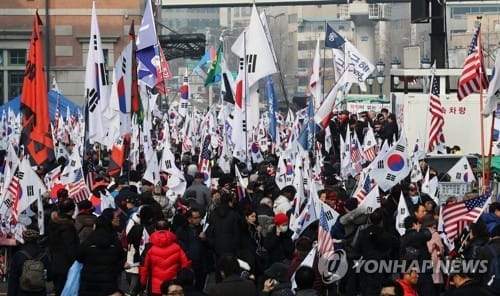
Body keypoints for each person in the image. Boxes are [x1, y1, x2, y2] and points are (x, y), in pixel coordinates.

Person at [77, 210, 126, 296]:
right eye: (116, 217)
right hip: (109, 284)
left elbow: (79, 256)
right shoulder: (114, 242)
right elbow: (121, 258)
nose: (118, 219)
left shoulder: (89, 241)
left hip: (89, 284)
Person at [140, 220, 191, 295]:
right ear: (169, 229)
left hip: (155, 287)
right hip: (174, 286)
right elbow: (186, 265)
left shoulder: (149, 246)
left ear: (155, 230)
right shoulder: (179, 245)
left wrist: (143, 284)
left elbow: (144, 268)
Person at [47, 198, 79, 296]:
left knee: (59, 291)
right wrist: (75, 263)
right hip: (66, 265)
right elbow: (70, 247)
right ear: (71, 211)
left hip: (54, 262)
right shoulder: (67, 226)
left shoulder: (53, 222)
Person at [8, 229, 51, 296]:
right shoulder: (44, 255)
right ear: (37, 240)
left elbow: (13, 279)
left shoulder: (19, 255)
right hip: (40, 292)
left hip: (22, 292)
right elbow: (49, 276)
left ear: (24, 239)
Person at [176, 208, 211, 291]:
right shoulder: (182, 230)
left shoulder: (203, 229)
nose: (198, 220)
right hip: (188, 265)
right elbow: (180, 246)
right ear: (189, 219)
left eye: (199, 217)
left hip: (201, 265)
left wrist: (205, 239)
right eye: (195, 218)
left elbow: (211, 245)